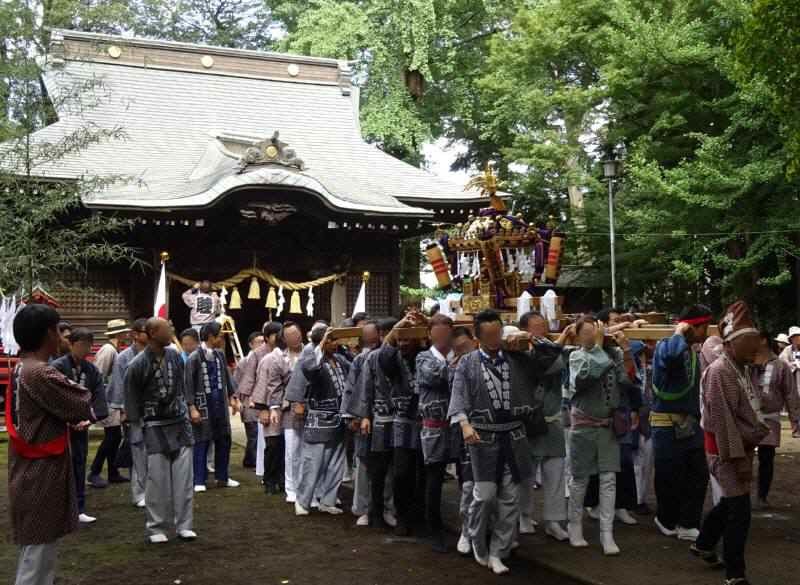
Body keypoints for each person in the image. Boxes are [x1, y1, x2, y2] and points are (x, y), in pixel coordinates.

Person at [448, 309, 554, 575]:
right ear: (479, 336)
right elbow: (458, 397)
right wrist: (464, 424)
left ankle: (498, 551)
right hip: (483, 437)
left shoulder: (517, 357)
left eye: (498, 333)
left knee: (510, 501)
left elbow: (550, 359)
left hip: (515, 436)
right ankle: (474, 537)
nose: (495, 339)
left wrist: (530, 338)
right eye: (490, 335)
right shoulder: (468, 362)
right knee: (483, 496)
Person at [9, 305, 94, 585]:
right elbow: (81, 402)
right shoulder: (40, 373)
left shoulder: (22, 368)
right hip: (41, 471)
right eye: (59, 330)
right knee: (38, 553)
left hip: (31, 467)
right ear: (48, 333)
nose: (63, 338)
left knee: (37, 549)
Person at [693, 302, 769, 585]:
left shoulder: (741, 366)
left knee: (731, 503)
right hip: (726, 451)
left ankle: (703, 543)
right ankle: (735, 573)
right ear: (731, 344)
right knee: (740, 512)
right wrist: (738, 461)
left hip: (740, 448)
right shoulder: (719, 371)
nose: (754, 351)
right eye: (749, 346)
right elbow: (724, 423)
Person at [565, 315, 638, 556]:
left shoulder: (612, 354)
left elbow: (626, 380)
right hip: (583, 427)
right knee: (580, 479)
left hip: (607, 426)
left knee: (609, 478)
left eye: (595, 332)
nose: (592, 336)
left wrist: (626, 350)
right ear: (577, 336)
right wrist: (597, 347)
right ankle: (574, 526)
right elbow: (585, 378)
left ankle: (607, 533)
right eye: (586, 333)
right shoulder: (576, 356)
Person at [124, 317, 196, 543]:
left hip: (179, 423)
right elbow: (130, 397)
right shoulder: (137, 364)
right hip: (153, 426)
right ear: (154, 333)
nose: (172, 331)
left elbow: (184, 386)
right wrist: (136, 427)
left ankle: (184, 525)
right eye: (168, 329)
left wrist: (189, 407)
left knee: (184, 480)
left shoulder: (175, 356)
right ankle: (156, 527)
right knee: (157, 481)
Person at [650, 304, 713, 542]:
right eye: (704, 327)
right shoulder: (667, 345)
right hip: (666, 424)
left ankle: (688, 523)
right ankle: (666, 519)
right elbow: (672, 356)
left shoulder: (692, 349)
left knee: (698, 474)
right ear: (691, 327)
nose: (707, 331)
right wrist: (678, 332)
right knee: (670, 476)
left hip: (690, 423)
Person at [518, 311, 571, 542]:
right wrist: (560, 344)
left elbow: (559, 364)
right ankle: (523, 514)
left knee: (556, 471)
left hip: (553, 420)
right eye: (536, 327)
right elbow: (547, 365)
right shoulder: (520, 353)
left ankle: (554, 520)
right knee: (526, 474)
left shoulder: (551, 348)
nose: (541, 331)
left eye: (543, 326)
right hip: (530, 422)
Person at [375, 312, 427, 537]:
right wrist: (398, 328)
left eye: (408, 339)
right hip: (403, 421)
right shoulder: (393, 359)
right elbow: (383, 355)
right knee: (401, 472)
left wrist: (424, 325)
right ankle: (402, 517)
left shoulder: (426, 355)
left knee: (424, 472)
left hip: (427, 420)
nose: (404, 344)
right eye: (401, 339)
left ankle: (421, 516)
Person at [289, 325, 350, 516]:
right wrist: (321, 344)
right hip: (319, 417)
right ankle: (303, 500)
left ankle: (328, 500)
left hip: (339, 417)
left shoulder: (340, 359)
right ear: (323, 342)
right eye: (333, 340)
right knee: (312, 462)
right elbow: (310, 368)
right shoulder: (311, 360)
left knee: (336, 463)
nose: (336, 344)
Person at [344, 318, 398, 528]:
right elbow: (353, 388)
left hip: (393, 418)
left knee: (391, 469)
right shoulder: (363, 359)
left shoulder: (400, 356)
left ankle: (388, 508)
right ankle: (363, 508)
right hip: (369, 417)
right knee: (365, 466)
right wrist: (356, 416)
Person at [52, 328, 109, 525]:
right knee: (58, 466)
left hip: (81, 425)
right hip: (59, 427)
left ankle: (79, 507)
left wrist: (89, 419)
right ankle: (58, 509)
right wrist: (66, 419)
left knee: (78, 463)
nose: (84, 349)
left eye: (88, 345)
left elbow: (99, 397)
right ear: (71, 344)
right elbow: (52, 398)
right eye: (81, 345)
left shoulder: (91, 369)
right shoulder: (57, 367)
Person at [415, 314, 459, 552]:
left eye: (445, 332)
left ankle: (468, 529)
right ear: (430, 334)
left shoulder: (459, 355)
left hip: (459, 425)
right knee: (434, 479)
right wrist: (455, 366)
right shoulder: (423, 357)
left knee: (468, 478)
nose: (442, 337)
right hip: (434, 426)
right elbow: (434, 376)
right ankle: (434, 529)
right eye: (437, 332)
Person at [185, 321, 240, 492]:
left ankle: (222, 477)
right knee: (201, 441)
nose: (222, 338)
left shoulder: (220, 355)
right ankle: (199, 479)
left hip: (219, 404)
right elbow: (187, 384)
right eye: (220, 335)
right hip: (203, 404)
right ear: (210, 337)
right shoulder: (194, 357)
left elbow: (227, 377)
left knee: (224, 439)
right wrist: (191, 407)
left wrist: (233, 397)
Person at [252, 322, 304, 495]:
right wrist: (264, 409)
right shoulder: (268, 358)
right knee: (274, 445)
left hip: (293, 408)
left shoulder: (305, 354)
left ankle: (283, 481)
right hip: (273, 406)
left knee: (288, 447)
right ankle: (270, 480)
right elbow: (260, 385)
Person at [750, 331, 800, 508]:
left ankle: (761, 496)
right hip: (747, 418)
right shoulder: (746, 362)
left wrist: (795, 419)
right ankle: (739, 495)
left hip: (770, 419)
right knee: (744, 458)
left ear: (763, 340)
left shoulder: (780, 365)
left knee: (766, 458)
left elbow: (790, 393)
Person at [88, 319, 131, 488]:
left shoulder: (115, 350)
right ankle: (94, 471)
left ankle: (113, 472)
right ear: (119, 333)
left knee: (115, 436)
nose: (127, 335)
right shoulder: (108, 350)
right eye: (124, 332)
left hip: (113, 398)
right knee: (112, 436)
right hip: (108, 398)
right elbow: (98, 374)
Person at [112, 318, 149, 508]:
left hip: (155, 410)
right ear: (135, 334)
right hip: (134, 411)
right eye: (145, 331)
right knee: (138, 452)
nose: (149, 334)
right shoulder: (124, 357)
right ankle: (139, 493)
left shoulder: (157, 354)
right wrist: (122, 410)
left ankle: (154, 491)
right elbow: (118, 385)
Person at [234, 331, 265, 469]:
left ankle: (254, 460)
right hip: (248, 402)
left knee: (260, 435)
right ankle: (251, 461)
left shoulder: (266, 359)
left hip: (261, 402)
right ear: (251, 345)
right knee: (253, 434)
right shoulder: (244, 361)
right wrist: (237, 401)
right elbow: (236, 383)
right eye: (258, 342)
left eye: (262, 342)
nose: (261, 345)